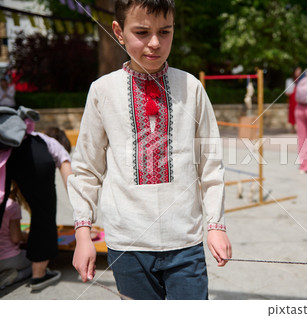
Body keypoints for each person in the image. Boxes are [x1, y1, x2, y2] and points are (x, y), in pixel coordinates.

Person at [68, 0, 232, 300]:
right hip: (127, 243)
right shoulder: (102, 91)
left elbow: (210, 164)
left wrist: (215, 226)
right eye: (142, 32)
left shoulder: (192, 87)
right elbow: (86, 169)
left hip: (186, 240)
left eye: (165, 32)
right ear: (118, 31)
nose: (155, 43)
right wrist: (83, 234)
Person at [4, 118, 72, 291]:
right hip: (33, 160)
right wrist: (78, 203)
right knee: (45, 212)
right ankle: (39, 275)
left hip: (8, 155)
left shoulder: (22, 137)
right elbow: (69, 175)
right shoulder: (52, 144)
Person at [0, 185, 31, 289]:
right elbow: (16, 238)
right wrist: (25, 236)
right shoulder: (11, 205)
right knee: (39, 261)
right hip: (10, 257)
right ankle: (16, 276)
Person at [285, 66, 302, 133]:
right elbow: (287, 92)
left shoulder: (302, 80)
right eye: (297, 71)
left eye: (299, 71)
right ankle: (293, 128)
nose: (298, 72)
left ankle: (300, 128)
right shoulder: (289, 80)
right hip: (292, 99)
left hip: (299, 99)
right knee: (292, 113)